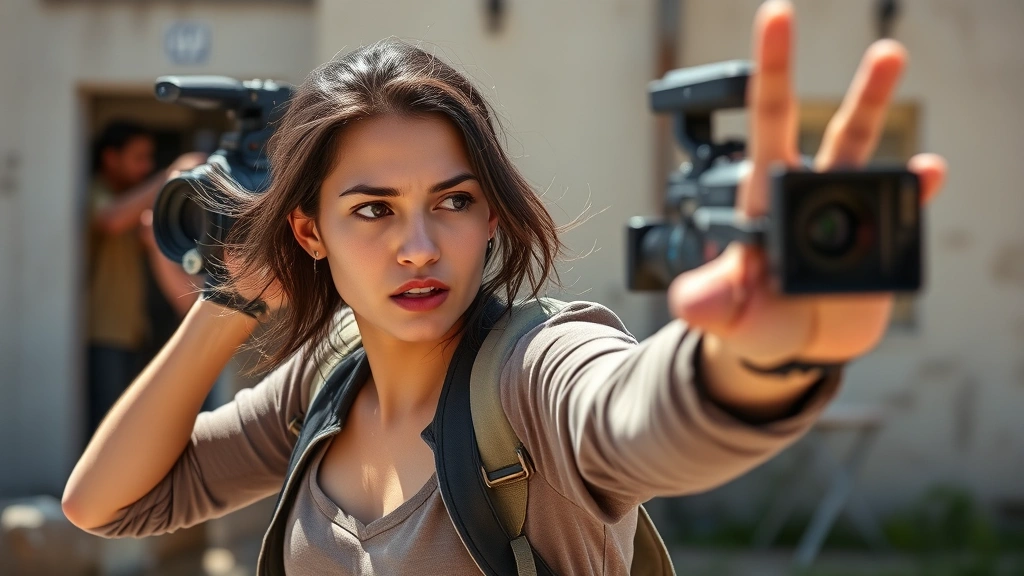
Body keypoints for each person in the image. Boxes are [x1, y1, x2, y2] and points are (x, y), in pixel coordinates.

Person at [63, 2, 947, 573]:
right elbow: (107, 502)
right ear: (309, 232)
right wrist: (232, 296)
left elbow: (632, 414)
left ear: (491, 217)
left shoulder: (527, 376)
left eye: (453, 200)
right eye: (371, 210)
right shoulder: (321, 386)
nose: (418, 246)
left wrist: (757, 361)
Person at [85, 120, 205, 435]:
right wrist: (168, 178)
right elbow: (111, 220)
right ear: (111, 158)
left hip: (133, 330)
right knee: (107, 427)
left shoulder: (131, 198)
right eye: (139, 158)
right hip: (103, 332)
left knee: (126, 424)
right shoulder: (97, 192)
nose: (147, 166)